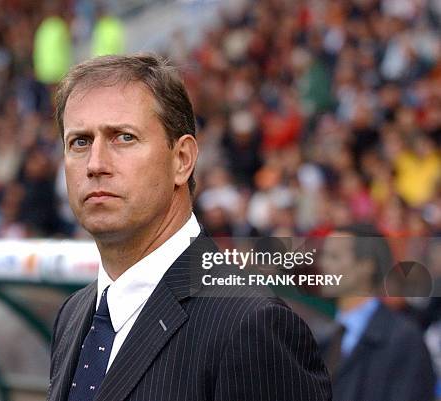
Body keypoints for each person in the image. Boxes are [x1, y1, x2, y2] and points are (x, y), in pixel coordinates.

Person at [47, 53, 331, 401]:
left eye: (123, 137)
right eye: (80, 142)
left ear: (182, 160)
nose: (95, 164)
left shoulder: (251, 323)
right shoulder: (74, 315)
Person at [319, 224, 436, 401]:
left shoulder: (403, 340)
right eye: (324, 255)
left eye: (334, 257)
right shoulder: (322, 338)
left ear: (366, 266)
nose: (323, 265)